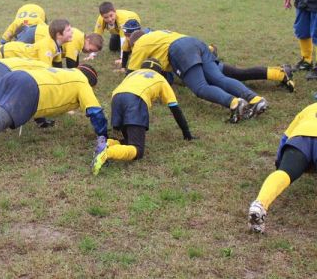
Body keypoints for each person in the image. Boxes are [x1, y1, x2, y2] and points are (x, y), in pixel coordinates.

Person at [127, 30, 267, 123]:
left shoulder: (139, 44)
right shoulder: (156, 34)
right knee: (219, 78)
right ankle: (255, 99)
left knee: (200, 87)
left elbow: (131, 73)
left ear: (134, 43)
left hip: (180, 50)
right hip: (194, 42)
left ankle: (235, 103)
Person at [121, 19, 295, 92]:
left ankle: (247, 98)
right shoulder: (155, 35)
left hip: (190, 60)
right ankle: (279, 73)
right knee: (236, 73)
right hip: (196, 51)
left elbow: (166, 76)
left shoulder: (144, 45)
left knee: (216, 82)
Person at [92, 58, 193, 175]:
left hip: (116, 98)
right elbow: (175, 108)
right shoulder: (160, 79)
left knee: (129, 141)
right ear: (160, 71)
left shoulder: (133, 74)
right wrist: (187, 133)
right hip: (136, 100)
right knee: (138, 149)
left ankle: (106, 143)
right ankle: (106, 153)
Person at [248, 103, 317, 233]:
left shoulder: (309, 107)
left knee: (284, 173)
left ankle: (260, 204)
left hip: (299, 139)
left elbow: (285, 137)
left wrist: (280, 164)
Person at [15, 22, 104, 68]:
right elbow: (71, 63)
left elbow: (73, 60)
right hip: (35, 34)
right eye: (90, 49)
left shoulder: (80, 40)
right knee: (17, 54)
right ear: (88, 39)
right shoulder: (77, 39)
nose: (89, 52)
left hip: (35, 33)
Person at [0, 19, 73, 67]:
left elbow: (58, 67)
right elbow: (45, 72)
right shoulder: (47, 46)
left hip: (13, 50)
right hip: (8, 52)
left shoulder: (57, 46)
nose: (72, 32)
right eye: (68, 30)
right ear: (59, 35)